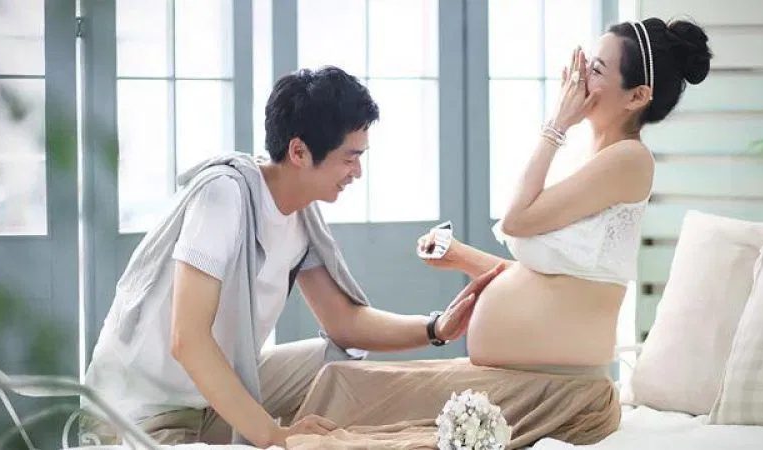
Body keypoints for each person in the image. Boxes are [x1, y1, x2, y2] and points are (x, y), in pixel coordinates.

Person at [289, 18, 713, 449]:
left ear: (637, 96)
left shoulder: (630, 160)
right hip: (520, 376)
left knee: (347, 415)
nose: (579, 76)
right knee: (343, 384)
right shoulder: (591, 161)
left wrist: (557, 123)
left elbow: (515, 220)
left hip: (555, 392)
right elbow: (548, 280)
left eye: (597, 69)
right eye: (586, 62)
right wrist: (459, 255)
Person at [79, 66, 505, 448]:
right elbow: (187, 339)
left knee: (338, 362)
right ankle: (278, 436)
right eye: (350, 158)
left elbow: (344, 323)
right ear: (299, 152)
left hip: (211, 395)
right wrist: (272, 435)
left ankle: (329, 439)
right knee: (270, 432)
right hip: (145, 409)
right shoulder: (223, 196)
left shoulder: (301, 214)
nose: (357, 172)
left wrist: (436, 328)